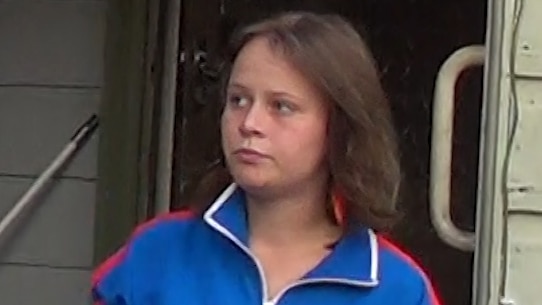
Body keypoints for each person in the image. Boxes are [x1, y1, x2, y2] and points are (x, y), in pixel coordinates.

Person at [92, 11, 442, 305]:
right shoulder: (158, 252)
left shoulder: (397, 289)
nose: (250, 124)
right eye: (238, 100)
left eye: (282, 107)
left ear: (339, 127)